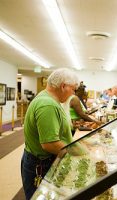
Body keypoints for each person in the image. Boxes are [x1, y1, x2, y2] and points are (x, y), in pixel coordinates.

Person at [21, 68, 79, 200]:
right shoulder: (48, 104)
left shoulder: (47, 98)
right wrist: (77, 153)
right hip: (41, 164)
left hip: (38, 161)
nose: (74, 93)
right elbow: (50, 144)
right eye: (73, 89)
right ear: (63, 86)